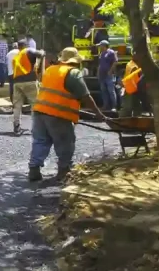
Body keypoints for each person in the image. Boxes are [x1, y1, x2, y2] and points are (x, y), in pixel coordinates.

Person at [28, 47, 106, 182]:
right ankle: (63, 171)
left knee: (40, 141)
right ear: (75, 61)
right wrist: (98, 114)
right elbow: (86, 96)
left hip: (39, 111)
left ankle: (34, 169)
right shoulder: (73, 73)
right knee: (65, 142)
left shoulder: (50, 69)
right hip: (58, 114)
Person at [12, 39, 46, 134]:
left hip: (17, 82)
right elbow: (40, 54)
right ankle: (36, 128)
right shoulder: (28, 50)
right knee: (35, 105)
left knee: (17, 105)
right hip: (29, 81)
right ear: (26, 45)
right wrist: (43, 52)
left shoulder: (17, 56)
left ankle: (16, 126)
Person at [97, 40, 118, 111]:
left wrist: (110, 71)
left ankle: (114, 106)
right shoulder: (101, 53)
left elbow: (115, 62)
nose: (100, 47)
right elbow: (100, 64)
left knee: (111, 90)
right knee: (103, 91)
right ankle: (105, 106)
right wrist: (98, 72)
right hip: (102, 75)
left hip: (108, 75)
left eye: (101, 45)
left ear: (104, 45)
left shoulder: (111, 52)